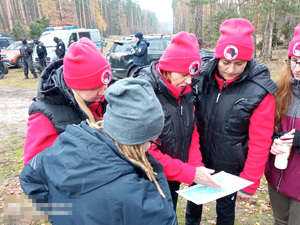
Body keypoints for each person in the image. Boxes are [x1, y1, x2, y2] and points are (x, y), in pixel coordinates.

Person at [19, 78, 177, 225]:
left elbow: (29, 178)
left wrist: (61, 215)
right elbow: (166, 219)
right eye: (152, 141)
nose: (151, 146)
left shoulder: (63, 146)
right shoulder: (136, 196)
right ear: (136, 140)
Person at [186, 18, 278, 225]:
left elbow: (261, 140)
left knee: (225, 211)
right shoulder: (201, 78)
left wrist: (250, 181)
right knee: (193, 207)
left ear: (248, 61)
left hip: (232, 164)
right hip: (199, 158)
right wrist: (193, 164)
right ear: (217, 57)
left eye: (239, 64)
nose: (230, 70)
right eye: (225, 62)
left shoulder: (260, 91)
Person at [133, 31, 222, 212]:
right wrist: (189, 173)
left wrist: (196, 165)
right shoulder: (144, 93)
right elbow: (144, 152)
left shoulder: (186, 91)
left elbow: (192, 131)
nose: (189, 81)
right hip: (146, 180)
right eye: (183, 74)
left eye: (192, 75)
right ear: (166, 69)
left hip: (172, 176)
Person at [23, 37, 113, 165]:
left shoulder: (109, 98)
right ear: (75, 87)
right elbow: (34, 171)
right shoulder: (45, 116)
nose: (104, 92)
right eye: (94, 88)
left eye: (106, 84)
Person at [265, 23, 300, 225]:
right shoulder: (280, 91)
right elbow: (266, 127)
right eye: (293, 61)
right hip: (277, 174)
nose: (297, 68)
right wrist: (273, 139)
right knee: (280, 222)